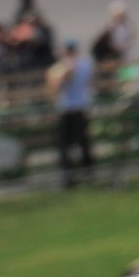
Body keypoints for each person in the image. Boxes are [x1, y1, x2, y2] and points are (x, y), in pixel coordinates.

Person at [47, 39, 95, 188]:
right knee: (82, 141)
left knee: (65, 144)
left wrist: (64, 74)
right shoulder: (86, 63)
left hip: (68, 108)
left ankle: (70, 175)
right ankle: (87, 170)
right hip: (80, 106)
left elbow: (54, 88)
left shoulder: (63, 67)